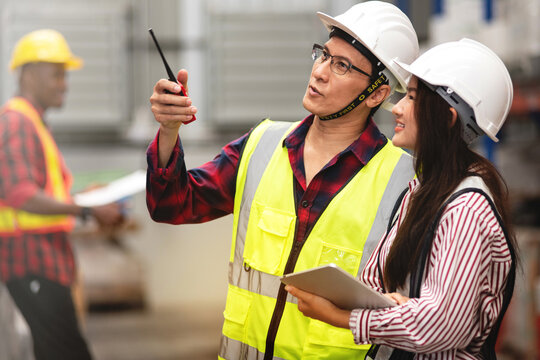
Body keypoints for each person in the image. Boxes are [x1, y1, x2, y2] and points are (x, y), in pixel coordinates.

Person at [147, 2, 419, 359]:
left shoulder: (404, 181)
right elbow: (172, 204)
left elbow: (414, 314)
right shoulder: (261, 145)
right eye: (323, 55)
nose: (319, 72)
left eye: (341, 66)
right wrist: (169, 132)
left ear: (378, 93)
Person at [286, 38, 519, 359]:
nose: (396, 107)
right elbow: (376, 280)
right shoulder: (422, 190)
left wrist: (341, 317)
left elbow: (442, 326)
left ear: (448, 119)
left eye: (411, 98)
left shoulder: (466, 207)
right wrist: (395, 302)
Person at [0, 29, 124, 360]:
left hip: (45, 259)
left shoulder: (33, 123)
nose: (64, 84)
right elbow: (20, 193)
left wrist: (85, 198)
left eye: (64, 75)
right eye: (56, 75)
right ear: (28, 74)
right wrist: (84, 209)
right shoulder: (17, 122)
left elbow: (42, 190)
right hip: (31, 260)